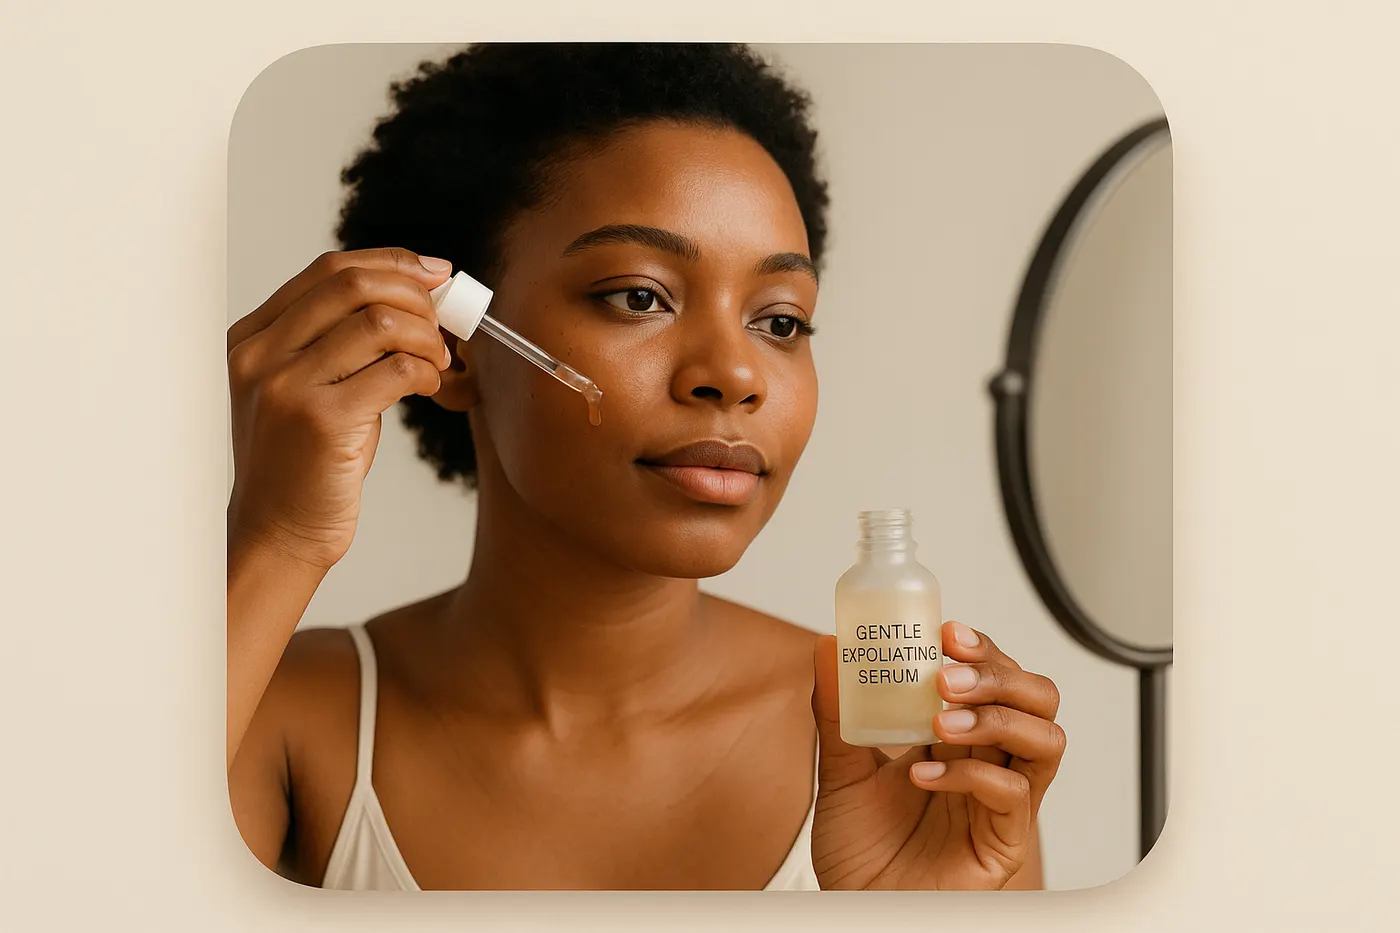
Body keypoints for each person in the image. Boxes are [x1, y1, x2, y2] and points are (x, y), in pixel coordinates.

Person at [226, 42, 1065, 891]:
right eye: (638, 295)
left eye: (780, 321)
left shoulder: (910, 749)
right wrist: (278, 534)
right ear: (456, 345)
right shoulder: (281, 710)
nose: (735, 375)